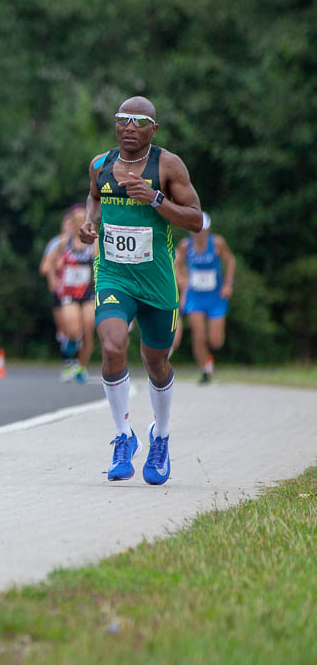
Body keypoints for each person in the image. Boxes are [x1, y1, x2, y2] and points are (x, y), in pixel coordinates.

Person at [79, 96, 202, 485]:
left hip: (157, 281)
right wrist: (89, 223)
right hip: (113, 274)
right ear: (115, 124)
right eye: (123, 119)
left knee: (156, 362)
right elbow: (94, 199)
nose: (130, 127)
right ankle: (122, 436)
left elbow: (196, 219)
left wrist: (156, 199)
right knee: (112, 345)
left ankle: (160, 436)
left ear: (154, 129)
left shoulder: (167, 166)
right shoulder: (100, 165)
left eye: (140, 121)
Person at [174, 212, 235, 385]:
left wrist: (228, 283)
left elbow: (230, 260)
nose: (199, 233)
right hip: (195, 296)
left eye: (203, 229)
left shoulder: (217, 243)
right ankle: (205, 370)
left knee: (216, 341)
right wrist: (182, 279)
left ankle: (209, 358)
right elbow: (177, 263)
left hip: (215, 297)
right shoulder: (185, 246)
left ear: (208, 230)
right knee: (199, 336)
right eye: (196, 229)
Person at [39, 205, 96, 384]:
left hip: (89, 292)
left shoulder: (94, 242)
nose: (79, 223)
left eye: (82, 219)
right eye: (76, 219)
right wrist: (53, 276)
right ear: (71, 222)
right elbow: (47, 265)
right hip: (69, 292)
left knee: (87, 331)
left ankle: (81, 367)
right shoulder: (63, 242)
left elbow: (101, 263)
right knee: (73, 330)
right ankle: (70, 344)